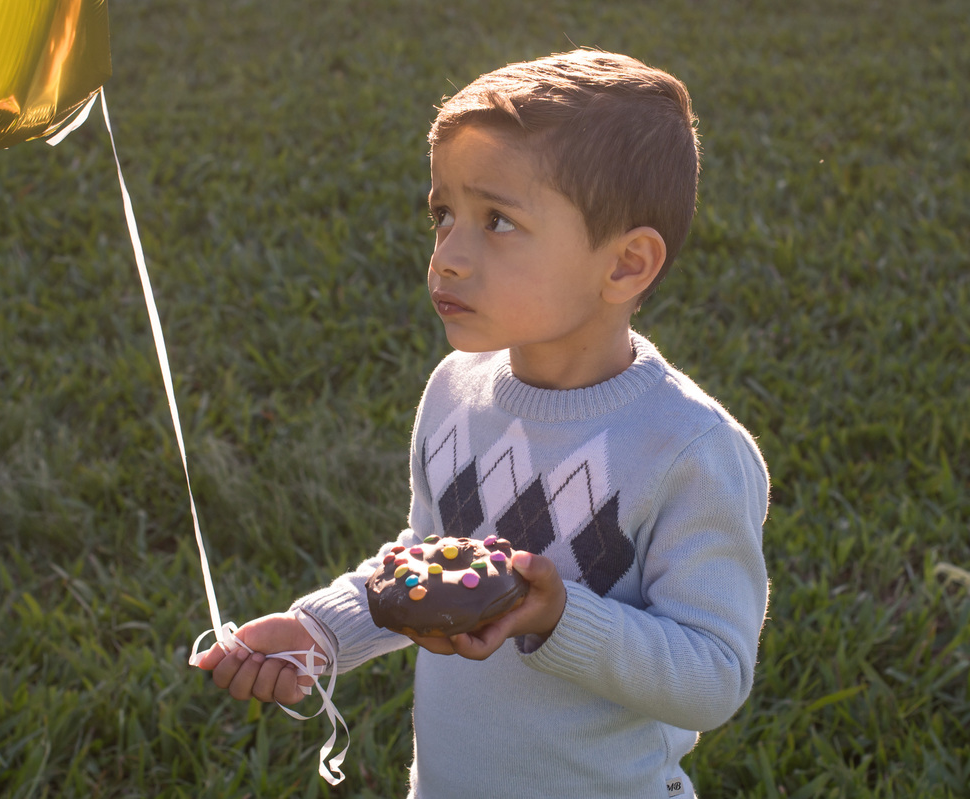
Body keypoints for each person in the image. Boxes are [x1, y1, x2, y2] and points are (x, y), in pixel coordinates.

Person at [194, 48, 769, 799]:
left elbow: (713, 675)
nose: (448, 257)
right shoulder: (455, 393)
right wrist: (321, 631)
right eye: (443, 214)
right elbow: (423, 563)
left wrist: (560, 615)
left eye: (497, 220)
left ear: (626, 265)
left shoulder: (690, 449)